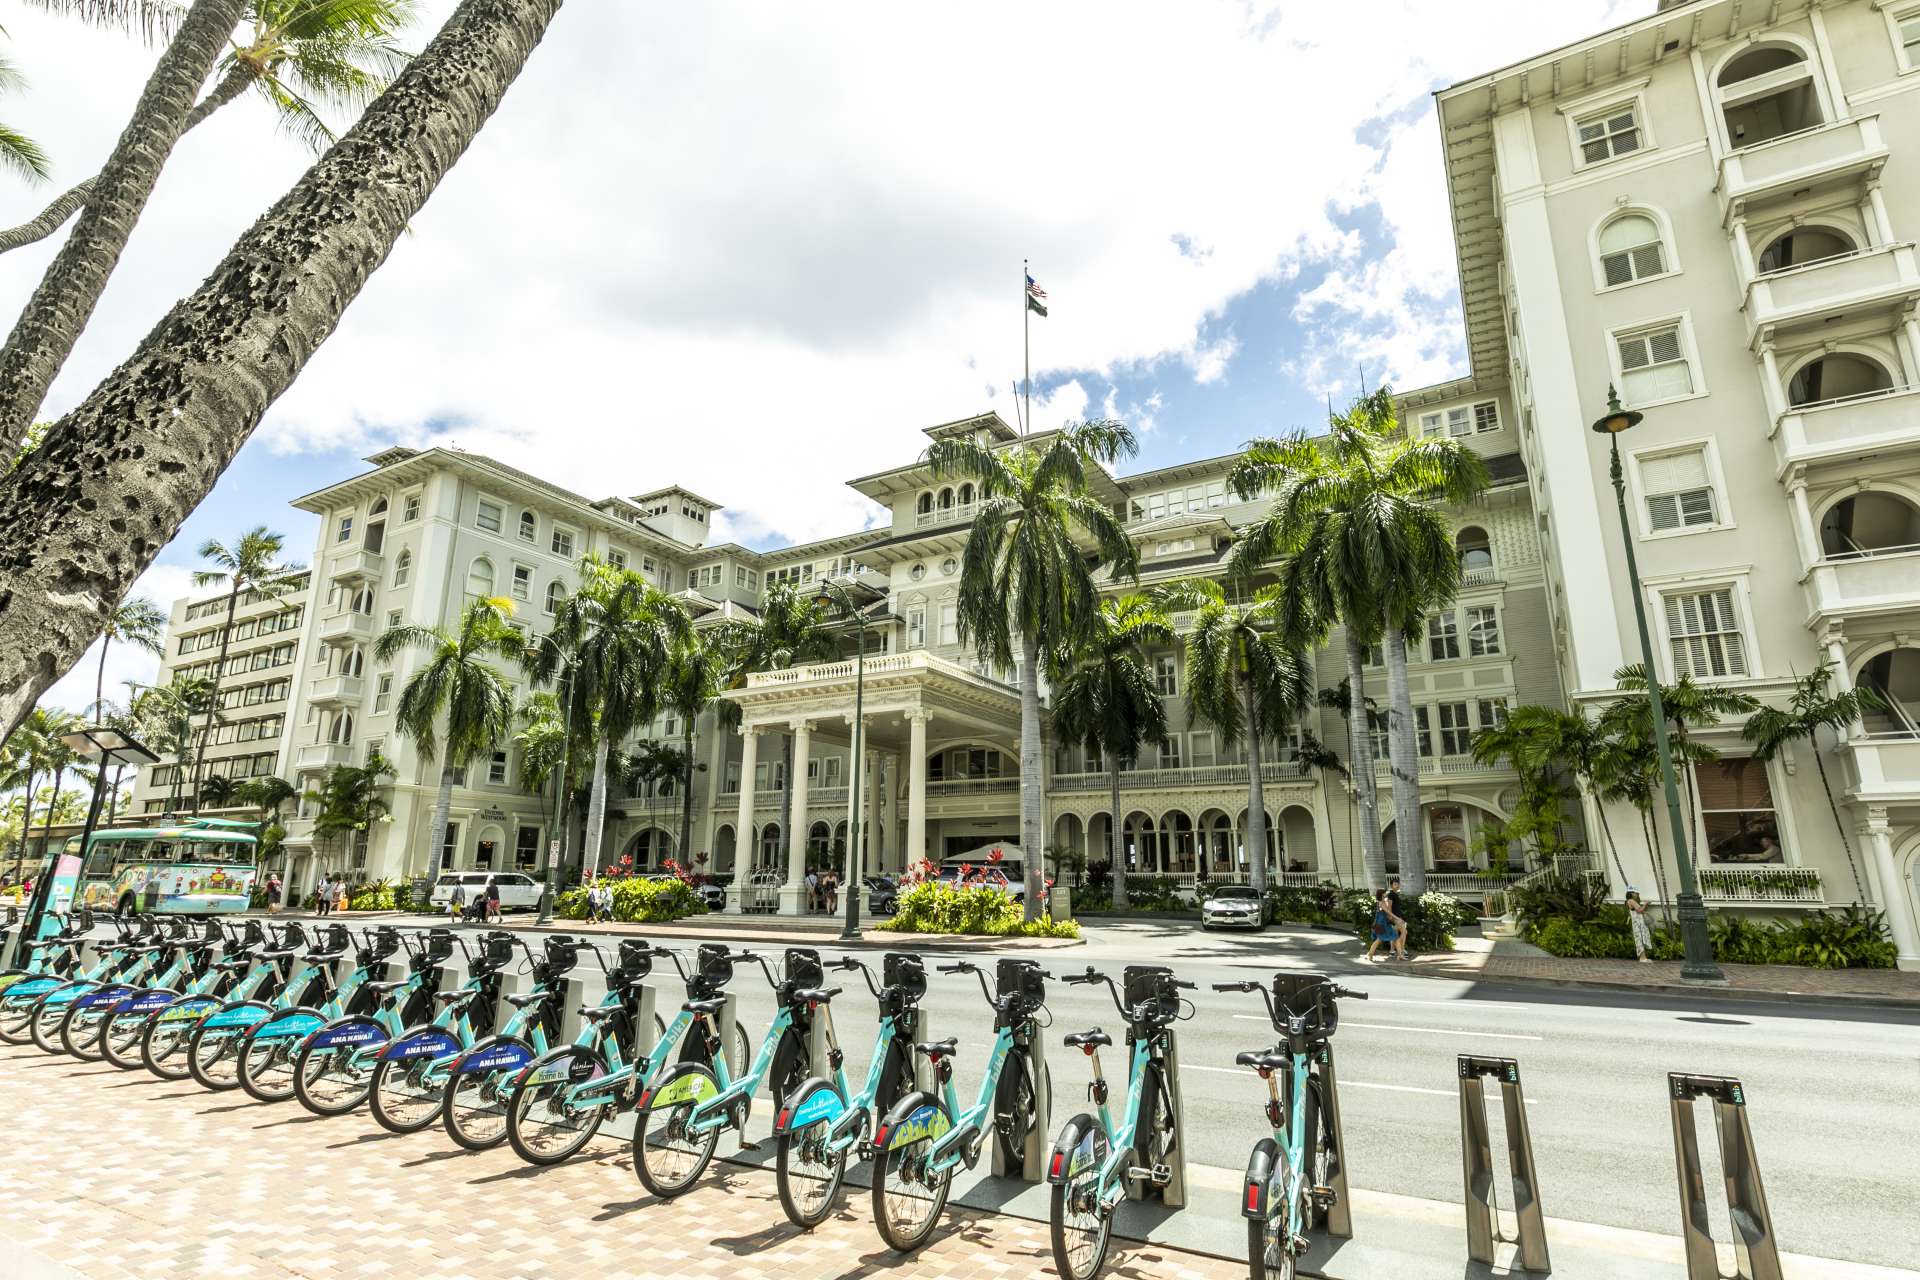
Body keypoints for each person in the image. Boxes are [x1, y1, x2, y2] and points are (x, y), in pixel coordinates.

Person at [1366, 890, 1397, 961]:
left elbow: (1387, 912)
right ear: (1382, 894)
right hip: (1381, 924)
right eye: (1385, 892)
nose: (1386, 893)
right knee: (1379, 939)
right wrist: (1397, 918)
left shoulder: (1382, 901)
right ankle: (1370, 955)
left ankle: (1370, 955)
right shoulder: (1381, 902)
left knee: (1380, 939)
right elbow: (1388, 912)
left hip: (1383, 923)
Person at [1386, 876, 1410, 961]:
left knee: (1395, 934)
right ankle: (1401, 949)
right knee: (1404, 932)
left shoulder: (1395, 894)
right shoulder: (1391, 894)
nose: (1397, 885)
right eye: (1395, 884)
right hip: (1395, 917)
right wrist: (1391, 917)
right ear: (1391, 885)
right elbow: (1389, 906)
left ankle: (1392, 951)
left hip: (1398, 917)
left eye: (1397, 884)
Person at [1627, 890, 1653, 962]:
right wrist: (1645, 904)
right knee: (1640, 939)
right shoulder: (1631, 901)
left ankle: (1643, 957)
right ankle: (1642, 958)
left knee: (1640, 938)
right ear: (1631, 893)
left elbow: (1639, 910)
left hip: (1638, 922)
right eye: (1636, 893)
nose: (1637, 894)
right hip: (1638, 923)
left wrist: (1645, 905)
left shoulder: (1631, 901)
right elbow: (1639, 910)